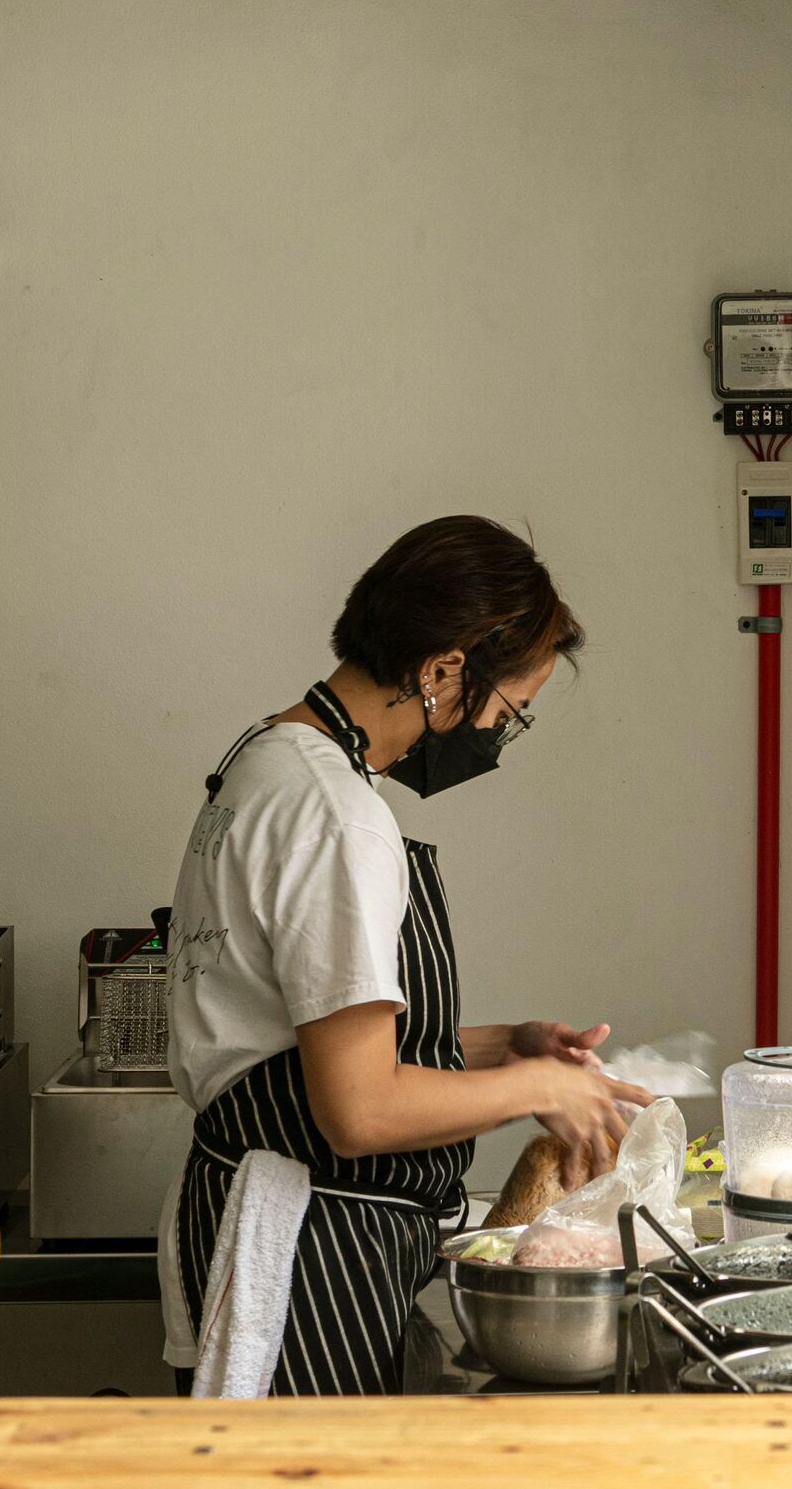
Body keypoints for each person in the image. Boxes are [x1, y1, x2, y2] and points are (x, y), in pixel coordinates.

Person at [164, 514, 647, 1393]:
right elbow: (359, 1109)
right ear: (443, 669)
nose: (495, 736)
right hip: (315, 1246)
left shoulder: (267, 762)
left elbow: (303, 1038)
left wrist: (511, 1048)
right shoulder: (336, 815)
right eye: (508, 713)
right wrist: (544, 1091)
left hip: (280, 1212)